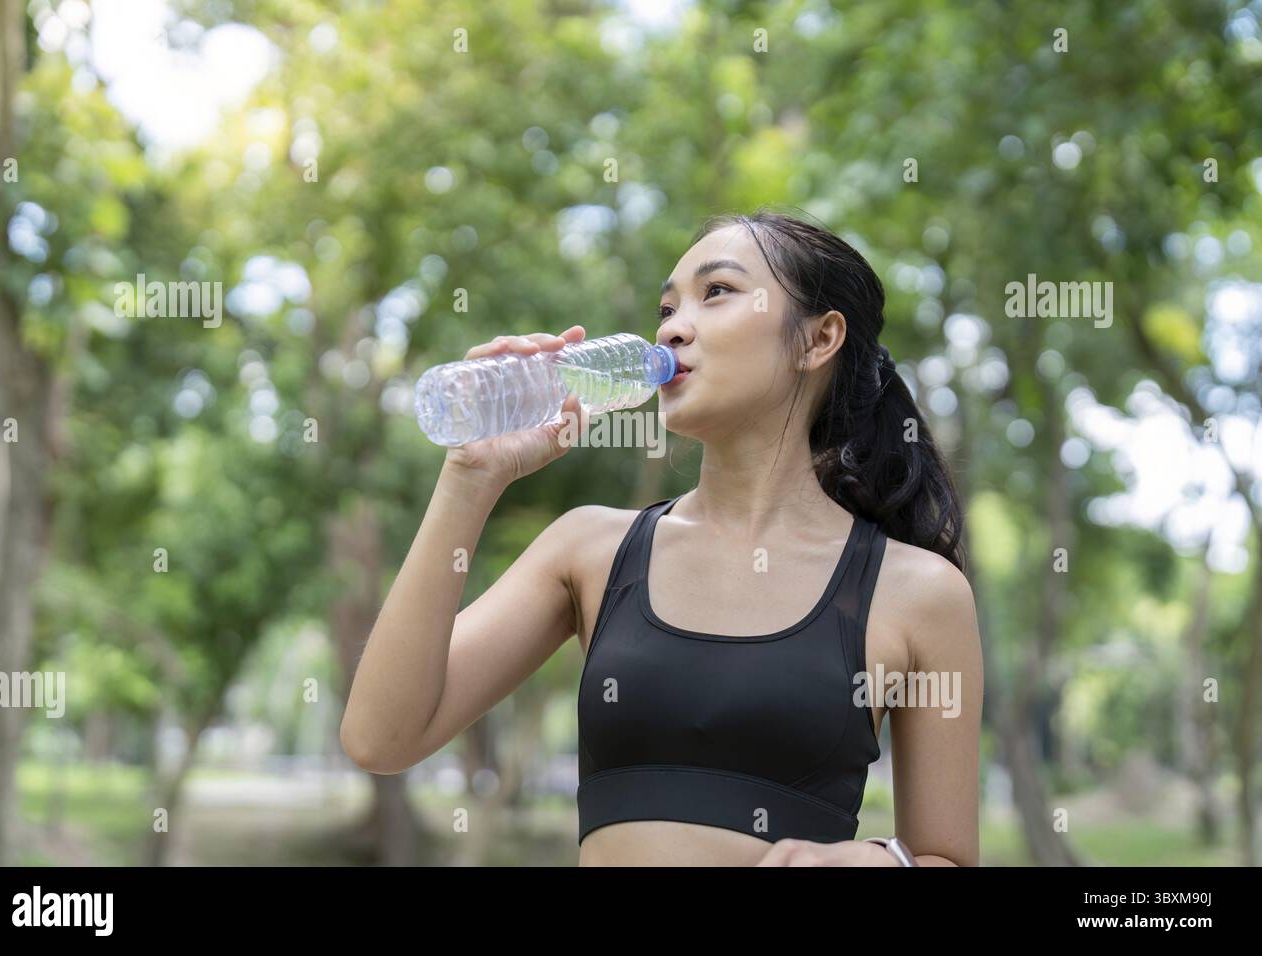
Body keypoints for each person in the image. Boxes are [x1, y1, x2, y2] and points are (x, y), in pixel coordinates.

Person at [341, 209, 983, 866]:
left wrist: (867, 862)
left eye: (718, 292)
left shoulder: (917, 593)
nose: (673, 326)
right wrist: (468, 477)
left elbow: (946, 857)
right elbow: (381, 738)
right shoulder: (590, 550)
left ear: (817, 340)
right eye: (668, 306)